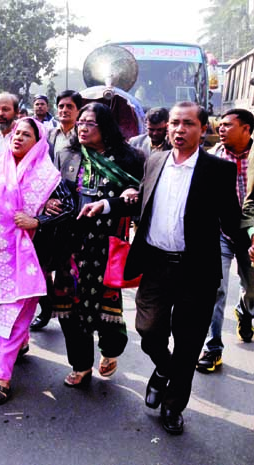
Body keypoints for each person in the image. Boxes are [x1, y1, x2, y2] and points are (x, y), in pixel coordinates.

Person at [81, 101, 241, 435]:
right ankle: (164, 368)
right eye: (174, 123)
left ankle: (172, 405)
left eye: (187, 124)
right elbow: (141, 199)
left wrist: (248, 242)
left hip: (196, 271)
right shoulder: (153, 161)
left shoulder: (218, 170)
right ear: (166, 128)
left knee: (188, 342)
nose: (179, 129)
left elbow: (232, 221)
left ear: (202, 129)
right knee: (149, 331)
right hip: (155, 265)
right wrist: (108, 203)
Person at [54, 102, 144, 388]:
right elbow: (51, 188)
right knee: (68, 306)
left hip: (106, 246)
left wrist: (132, 193)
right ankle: (80, 364)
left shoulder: (129, 158)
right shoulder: (67, 155)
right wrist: (49, 201)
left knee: (107, 305)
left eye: (90, 123)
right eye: (80, 122)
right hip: (71, 245)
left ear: (105, 127)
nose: (82, 127)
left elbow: (145, 196)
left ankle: (110, 350)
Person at [0, 118, 62, 405]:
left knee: (14, 316)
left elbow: (67, 208)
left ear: (38, 141)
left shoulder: (48, 175)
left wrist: (38, 218)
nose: (19, 138)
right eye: (16, 133)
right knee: (8, 313)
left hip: (31, 256)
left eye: (26, 134)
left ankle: (2, 378)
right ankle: (20, 344)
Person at [197, 109, 254, 372]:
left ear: (247, 129)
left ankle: (245, 308)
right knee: (214, 290)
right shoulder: (213, 157)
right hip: (220, 233)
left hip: (251, 235)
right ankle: (213, 349)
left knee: (251, 288)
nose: (221, 129)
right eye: (220, 125)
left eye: (229, 125)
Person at [31, 90, 84, 331]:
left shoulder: (83, 138)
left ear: (78, 111)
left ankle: (70, 314)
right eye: (61, 106)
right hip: (46, 206)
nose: (64, 110)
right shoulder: (48, 135)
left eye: (69, 107)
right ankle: (46, 307)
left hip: (71, 209)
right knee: (39, 266)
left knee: (65, 267)